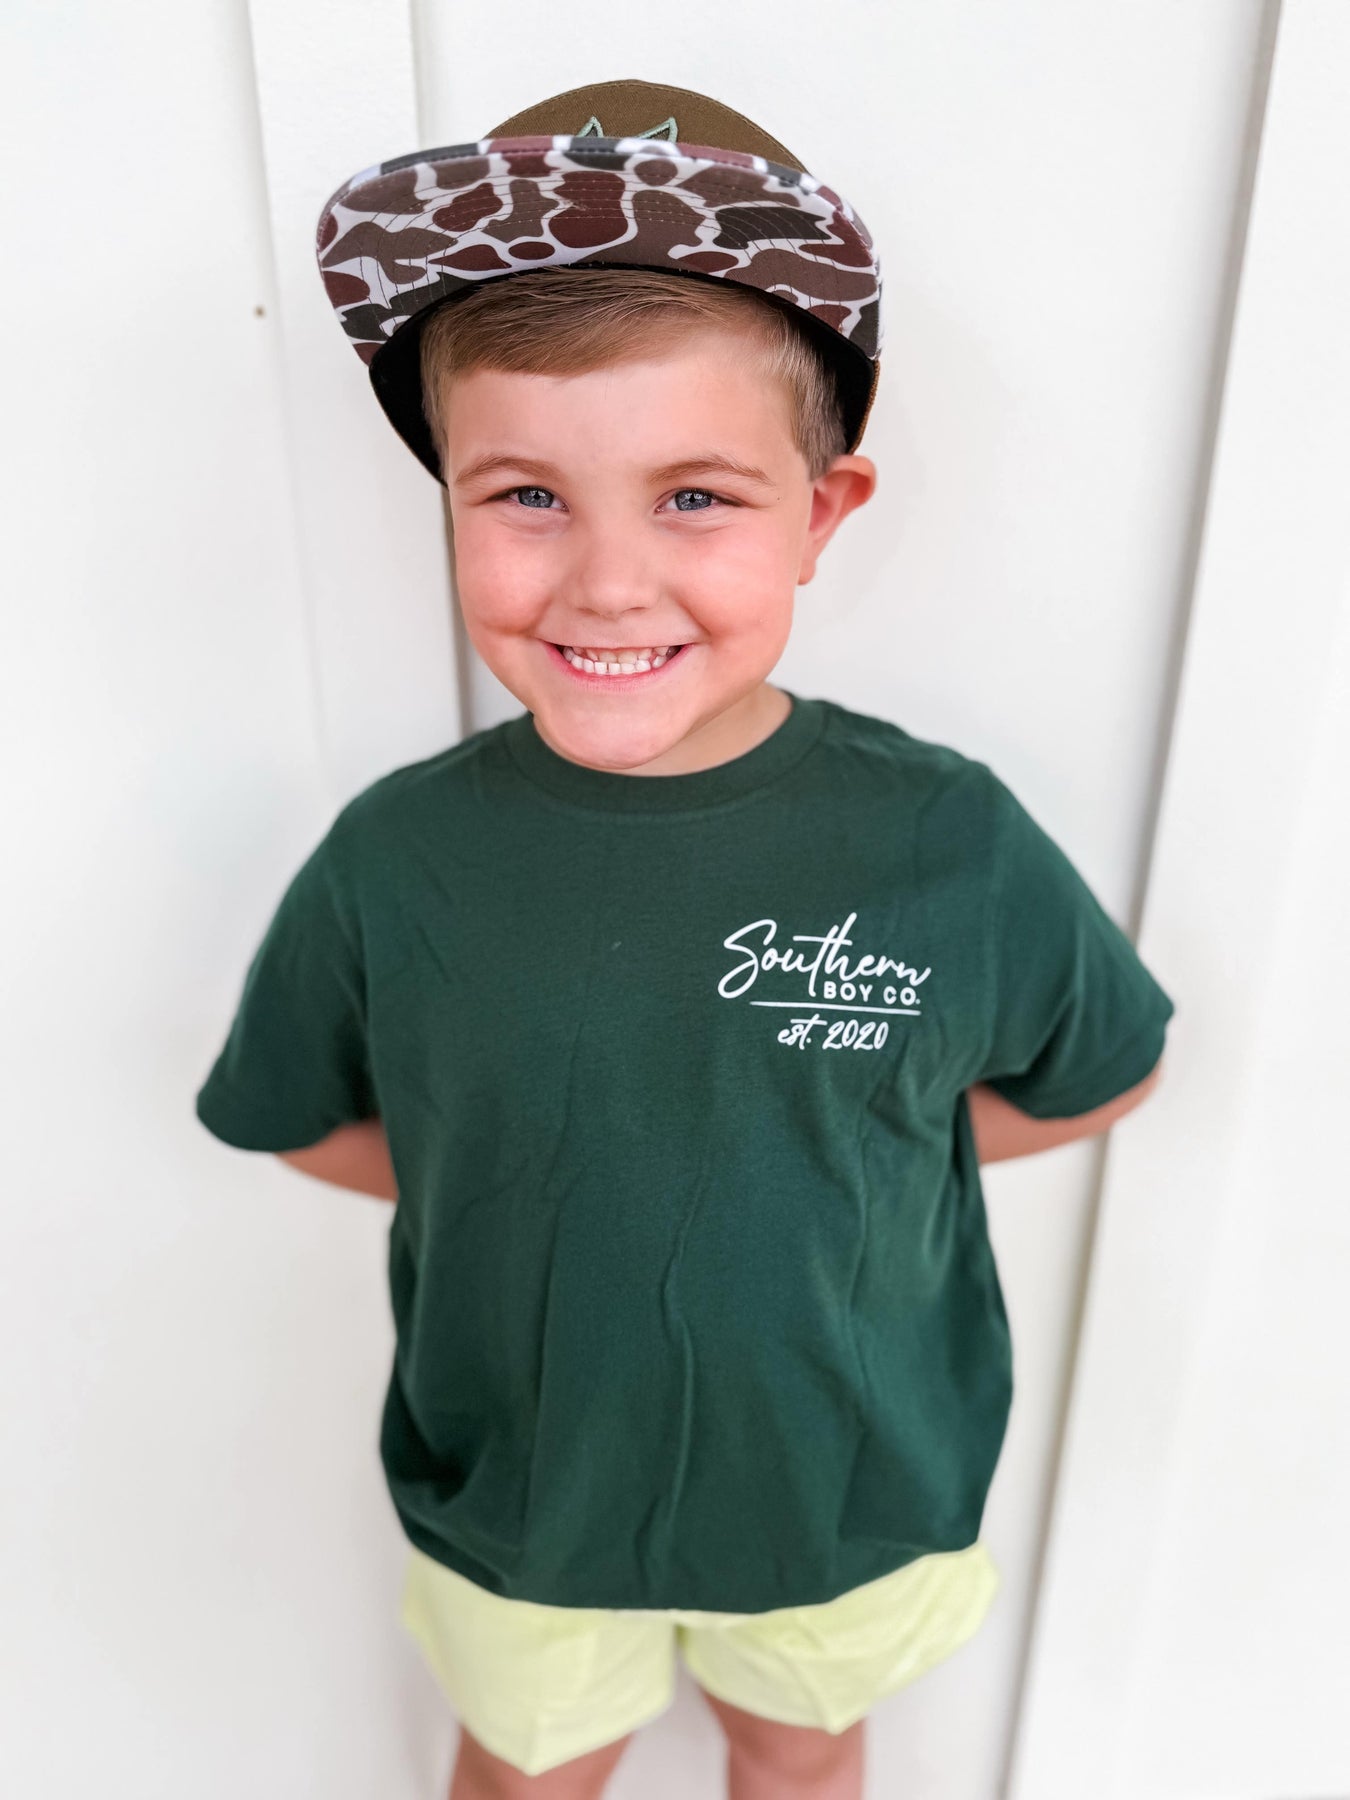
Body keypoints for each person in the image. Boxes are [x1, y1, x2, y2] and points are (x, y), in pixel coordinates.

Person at [195, 78, 1174, 1800]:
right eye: (526, 496)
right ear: (447, 499)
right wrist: (518, 1164)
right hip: (525, 1492)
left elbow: (1098, 1074)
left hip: (839, 1492)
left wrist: (848, 1154)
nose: (606, 583)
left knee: (796, 1758)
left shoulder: (945, 837)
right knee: (524, 1774)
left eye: (696, 498)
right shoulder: (397, 858)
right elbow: (302, 1117)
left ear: (822, 510)